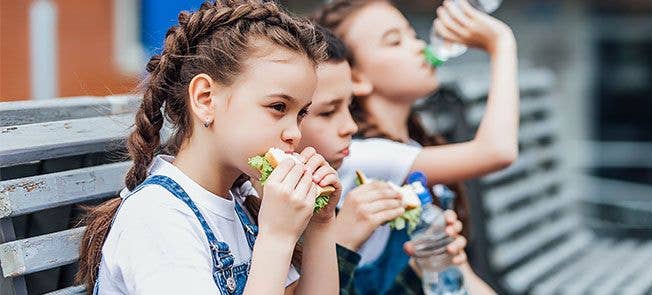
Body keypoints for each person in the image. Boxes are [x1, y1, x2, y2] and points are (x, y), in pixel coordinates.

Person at [76, 1, 341, 294]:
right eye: (278, 107)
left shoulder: (241, 203)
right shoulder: (157, 219)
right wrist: (276, 237)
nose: (294, 133)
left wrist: (321, 223)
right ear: (205, 99)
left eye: (301, 113)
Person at [313, 0, 519, 293]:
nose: (419, 46)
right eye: (395, 41)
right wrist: (501, 44)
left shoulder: (407, 146)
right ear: (355, 77)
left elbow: (463, 277)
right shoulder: (360, 155)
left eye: (412, 34)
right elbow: (498, 151)